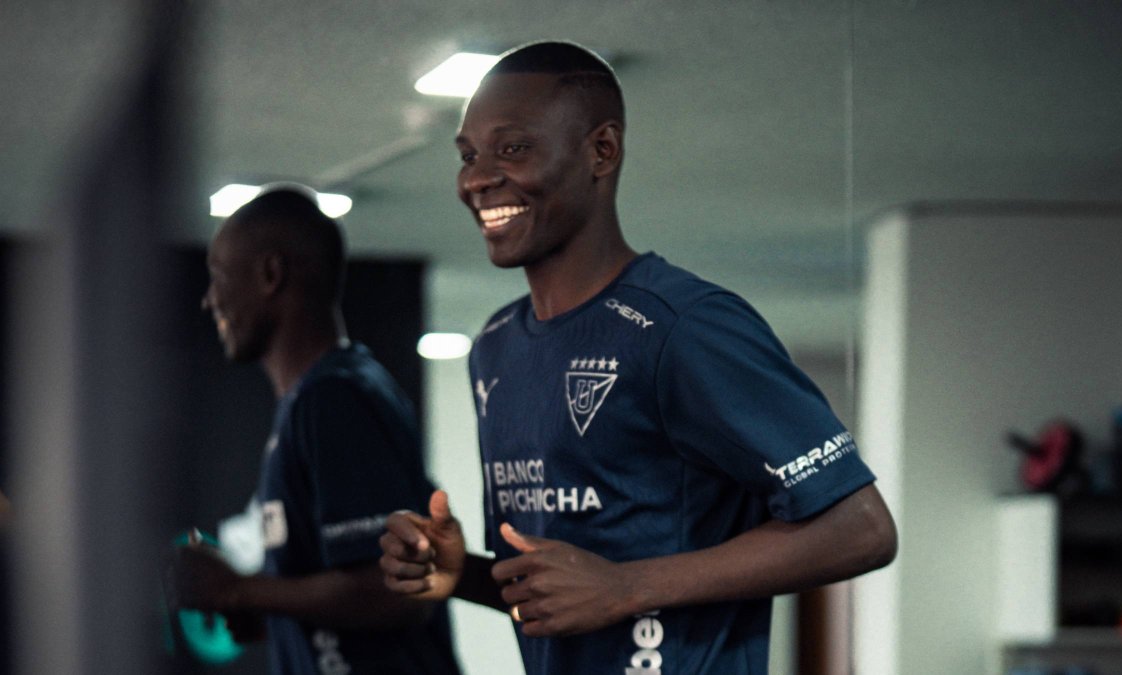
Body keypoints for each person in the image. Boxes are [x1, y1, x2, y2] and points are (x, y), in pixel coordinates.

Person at [379, 41, 898, 675]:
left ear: (602, 150)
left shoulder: (685, 327)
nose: (476, 178)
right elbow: (568, 593)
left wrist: (628, 586)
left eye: (512, 148)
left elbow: (862, 528)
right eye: (467, 155)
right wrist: (461, 576)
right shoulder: (495, 348)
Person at [169, 186, 461, 675]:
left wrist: (238, 589)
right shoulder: (310, 401)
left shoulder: (338, 398)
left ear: (270, 275)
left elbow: (394, 590)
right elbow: (340, 594)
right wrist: (268, 613)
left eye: (217, 279)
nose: (209, 301)